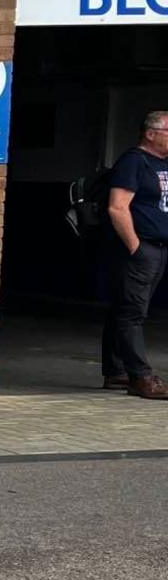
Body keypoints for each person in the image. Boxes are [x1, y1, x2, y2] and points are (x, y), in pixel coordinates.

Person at [103, 111, 168, 399]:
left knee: (124, 307)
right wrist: (135, 246)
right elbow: (117, 207)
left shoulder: (161, 164)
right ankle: (140, 376)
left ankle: (116, 371)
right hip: (141, 248)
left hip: (158, 248)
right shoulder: (134, 161)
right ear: (151, 134)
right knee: (133, 313)